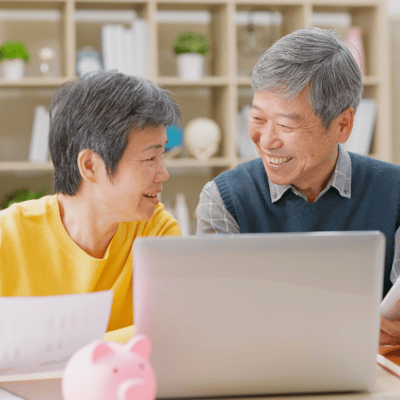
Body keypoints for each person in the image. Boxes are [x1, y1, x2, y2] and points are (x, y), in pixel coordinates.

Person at [196, 27, 400, 349]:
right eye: (258, 119)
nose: (267, 140)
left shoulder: (395, 192)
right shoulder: (224, 199)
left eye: (287, 126)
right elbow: (217, 320)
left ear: (343, 125)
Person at [0, 71, 182, 343]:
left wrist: (56, 348)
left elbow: (172, 330)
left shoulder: (157, 231)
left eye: (162, 155)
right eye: (150, 158)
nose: (163, 173)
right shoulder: (8, 236)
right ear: (89, 166)